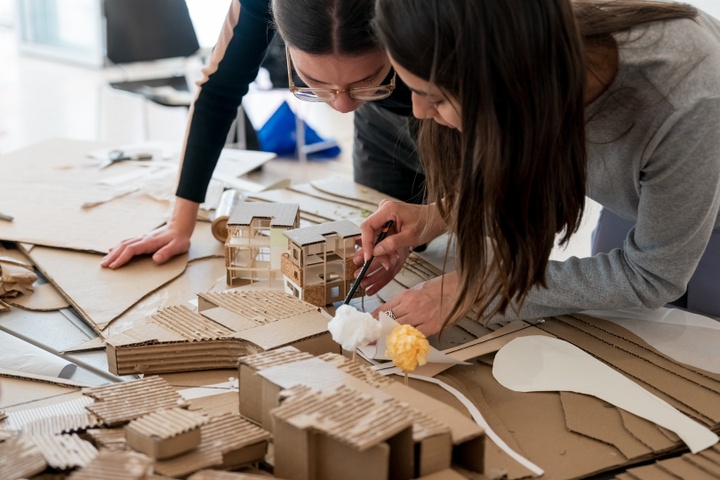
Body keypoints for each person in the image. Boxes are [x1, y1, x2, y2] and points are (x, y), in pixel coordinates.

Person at [357, 0, 720, 336]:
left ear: (505, 79)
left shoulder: (687, 100)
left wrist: (479, 291)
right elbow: (526, 153)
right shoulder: (534, 54)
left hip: (706, 196)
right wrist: (438, 215)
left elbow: (651, 276)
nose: (419, 112)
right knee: (617, 329)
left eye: (435, 97)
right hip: (645, 188)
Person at [101, 0, 424, 269]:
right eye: (316, 83)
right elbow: (219, 91)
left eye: (365, 80)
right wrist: (179, 224)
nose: (341, 106)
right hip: (379, 120)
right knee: (389, 247)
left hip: (458, 114)